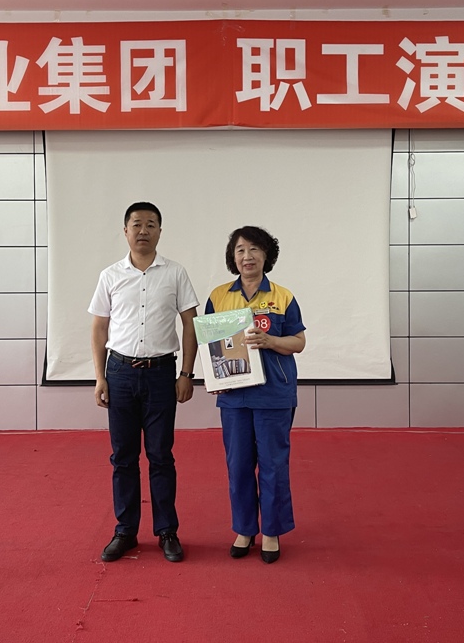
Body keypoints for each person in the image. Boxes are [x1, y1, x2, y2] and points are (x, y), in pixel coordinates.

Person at [89, 202, 199, 563]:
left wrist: (186, 374)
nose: (143, 230)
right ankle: (125, 531)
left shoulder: (175, 273)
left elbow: (190, 324)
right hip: (119, 374)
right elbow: (99, 328)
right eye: (136, 224)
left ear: (160, 232)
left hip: (161, 374)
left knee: (160, 455)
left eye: (151, 224)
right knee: (123, 457)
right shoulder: (110, 275)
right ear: (125, 231)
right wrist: (100, 377)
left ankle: (167, 530)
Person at [205, 225, 306, 564]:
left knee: (273, 465)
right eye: (240, 250)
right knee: (238, 464)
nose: (247, 256)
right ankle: (245, 529)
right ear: (233, 258)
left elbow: (299, 342)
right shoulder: (219, 296)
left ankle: (272, 532)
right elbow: (211, 344)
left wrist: (271, 341)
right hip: (234, 396)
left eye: (254, 249)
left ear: (266, 255)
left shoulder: (282, 296)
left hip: (274, 394)